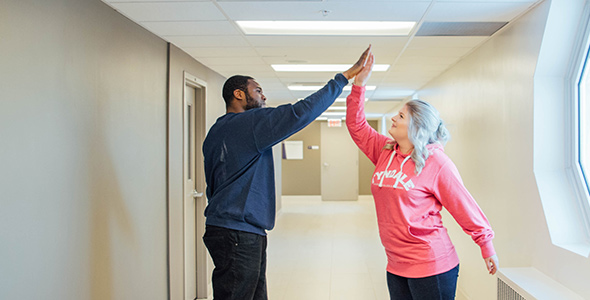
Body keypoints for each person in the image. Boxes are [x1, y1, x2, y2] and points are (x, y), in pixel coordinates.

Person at [201, 46, 371, 300]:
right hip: (238, 233)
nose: (264, 97)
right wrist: (343, 78)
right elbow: (300, 112)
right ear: (238, 94)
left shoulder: (217, 131)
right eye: (257, 91)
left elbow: (212, 185)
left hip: (232, 229)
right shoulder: (249, 124)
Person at [344, 53, 499, 300]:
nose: (393, 118)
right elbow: (357, 126)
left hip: (431, 263)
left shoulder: (436, 163)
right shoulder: (385, 150)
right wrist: (359, 85)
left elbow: (463, 204)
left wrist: (485, 244)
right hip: (395, 263)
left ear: (417, 128)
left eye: (401, 116)